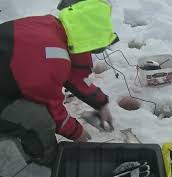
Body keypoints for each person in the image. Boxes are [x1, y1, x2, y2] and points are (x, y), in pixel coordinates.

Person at [0, 0, 119, 166]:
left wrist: (100, 102)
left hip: (8, 78)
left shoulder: (53, 26)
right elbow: (52, 109)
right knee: (39, 120)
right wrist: (77, 132)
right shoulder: (50, 58)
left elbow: (76, 73)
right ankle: (46, 164)